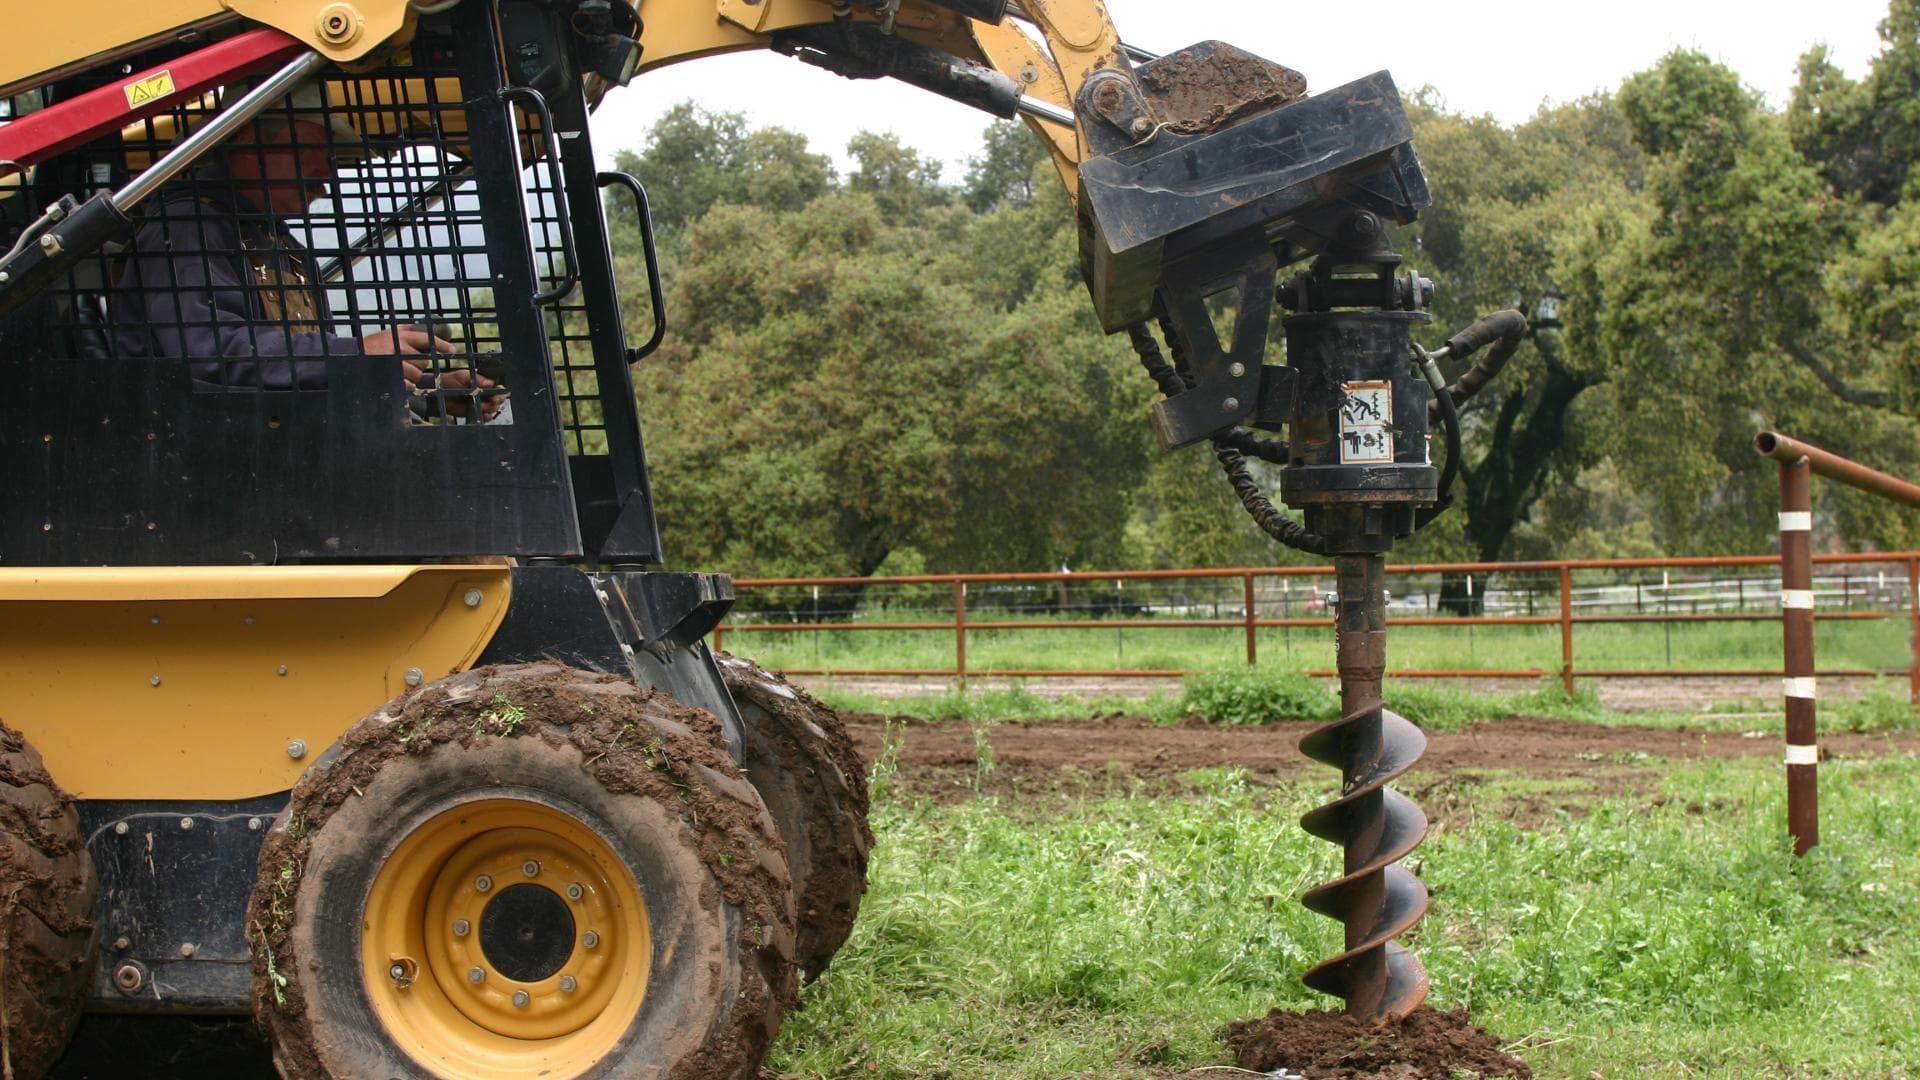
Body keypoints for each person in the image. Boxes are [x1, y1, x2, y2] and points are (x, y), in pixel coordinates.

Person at [111, 83, 500, 419]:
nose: (326, 172)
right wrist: (356, 355)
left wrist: (427, 394)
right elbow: (208, 356)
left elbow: (305, 379)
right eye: (311, 149)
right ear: (247, 138)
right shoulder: (185, 229)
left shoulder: (279, 242)